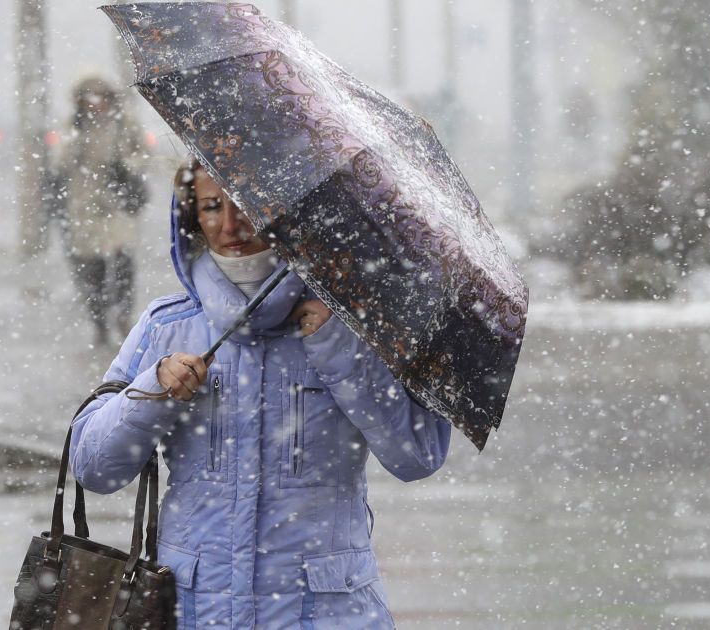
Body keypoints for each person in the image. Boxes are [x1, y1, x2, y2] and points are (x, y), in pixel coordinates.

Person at [69, 163, 452, 628]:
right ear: (192, 218)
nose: (231, 225)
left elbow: (417, 454)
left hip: (328, 613)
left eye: (248, 206)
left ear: (286, 214)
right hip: (195, 612)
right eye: (212, 207)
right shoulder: (167, 326)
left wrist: (341, 350)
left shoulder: (354, 323)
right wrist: (154, 388)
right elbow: (94, 466)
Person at [58, 76, 147, 345]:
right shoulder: (74, 127)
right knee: (91, 268)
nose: (96, 105)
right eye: (89, 99)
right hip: (85, 206)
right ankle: (98, 320)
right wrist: (77, 134)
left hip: (117, 203)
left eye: (100, 98)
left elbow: (141, 154)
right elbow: (63, 162)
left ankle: (123, 314)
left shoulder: (125, 124)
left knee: (122, 262)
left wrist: (127, 166)